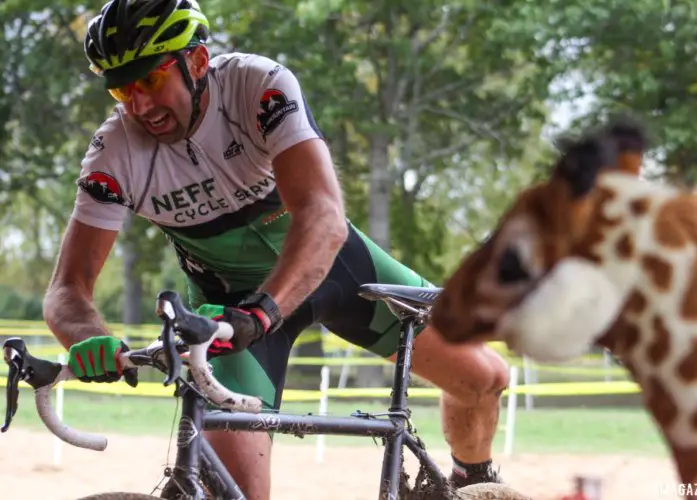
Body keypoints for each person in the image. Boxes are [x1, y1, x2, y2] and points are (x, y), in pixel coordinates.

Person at [42, 0, 510, 498]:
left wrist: (267, 311)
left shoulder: (258, 86)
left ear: (197, 62)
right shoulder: (114, 151)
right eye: (121, 88)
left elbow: (323, 216)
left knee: (482, 378)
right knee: (239, 490)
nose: (138, 105)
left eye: (150, 81)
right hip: (231, 311)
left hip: (336, 268)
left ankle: (471, 482)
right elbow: (67, 289)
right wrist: (89, 337)